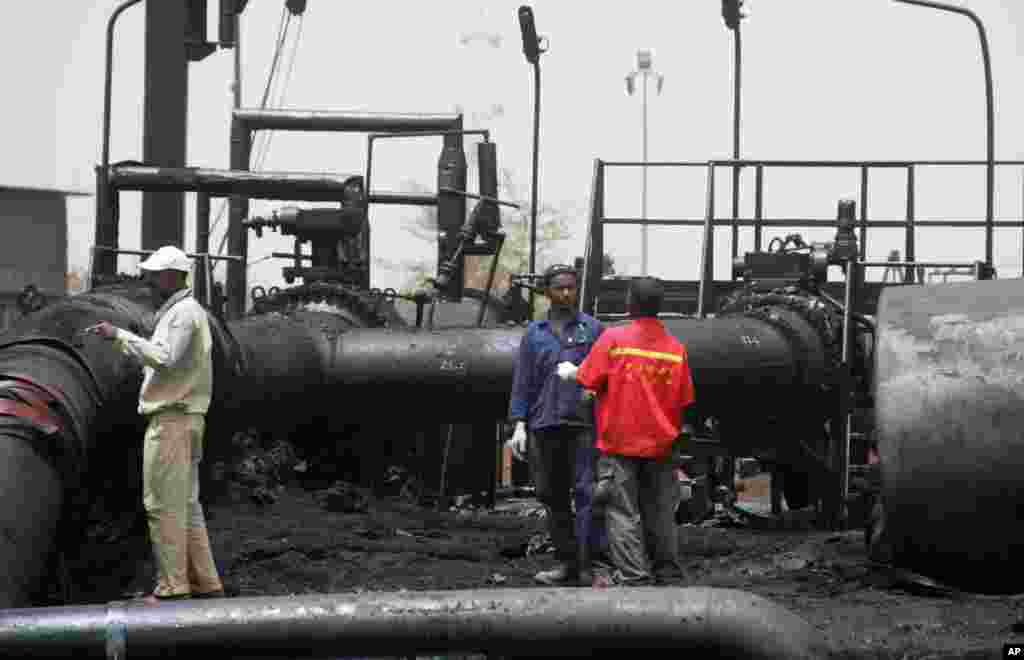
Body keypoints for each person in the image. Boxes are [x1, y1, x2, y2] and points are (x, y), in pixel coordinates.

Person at [85, 245, 224, 604]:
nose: (149, 280)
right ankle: (205, 582)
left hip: (172, 420)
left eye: (155, 274)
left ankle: (172, 586)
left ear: (172, 277)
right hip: (186, 418)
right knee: (187, 504)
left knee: (162, 504)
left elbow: (164, 358)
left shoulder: (181, 313)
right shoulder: (188, 311)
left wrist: (119, 336)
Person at [558, 276, 695, 586]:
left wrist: (570, 372)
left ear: (629, 303)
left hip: (620, 443)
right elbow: (685, 399)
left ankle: (634, 576)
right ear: (660, 307)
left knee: (622, 512)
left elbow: (588, 379)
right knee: (660, 511)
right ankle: (668, 573)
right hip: (661, 445)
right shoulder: (675, 349)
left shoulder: (614, 339)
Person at [506, 263, 607, 586]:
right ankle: (566, 565)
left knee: (586, 494)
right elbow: (523, 382)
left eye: (571, 287)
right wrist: (519, 425)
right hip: (544, 424)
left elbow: (607, 377)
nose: (566, 292)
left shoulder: (593, 330)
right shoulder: (534, 334)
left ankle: (589, 567)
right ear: (547, 292)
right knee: (552, 495)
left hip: (581, 425)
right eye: (560, 287)